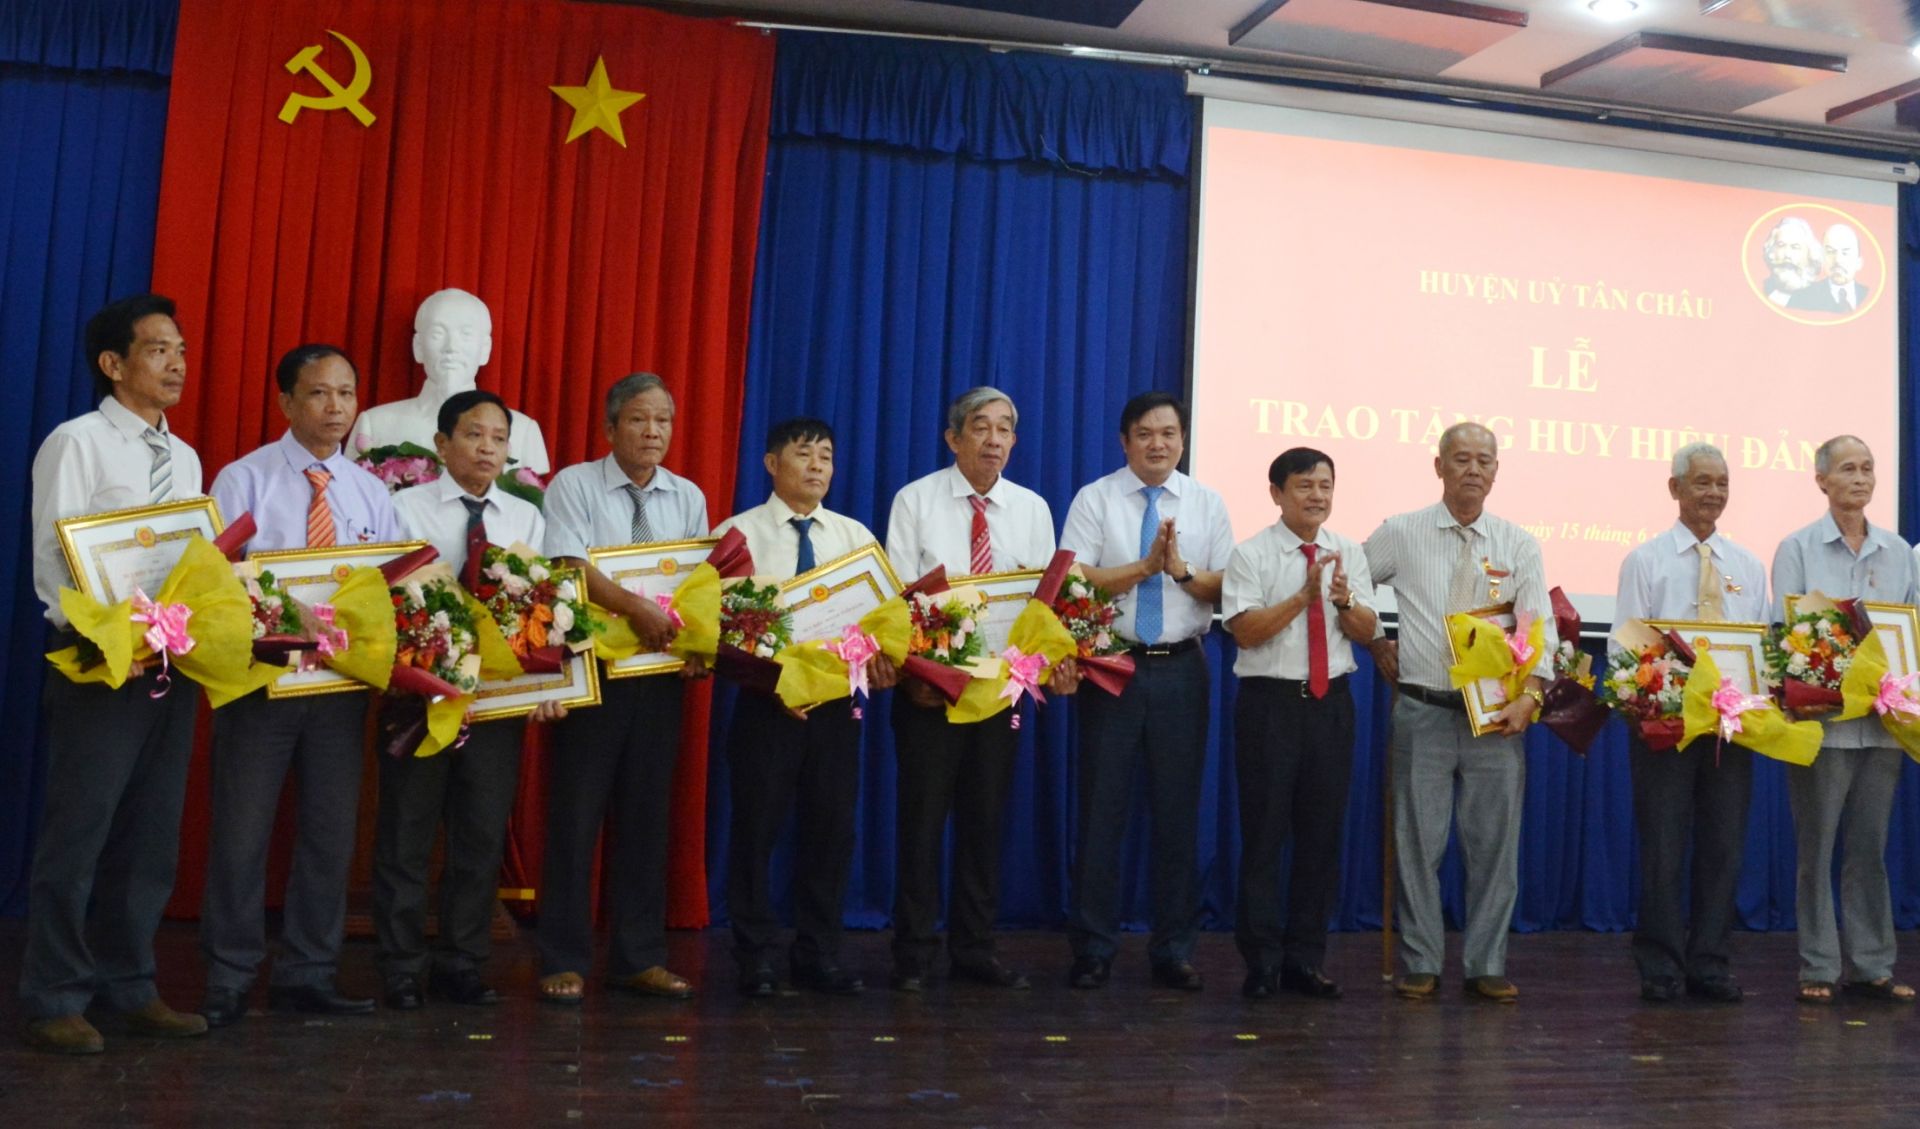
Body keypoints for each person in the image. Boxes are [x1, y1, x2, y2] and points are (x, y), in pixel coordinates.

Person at [20, 294, 210, 1053]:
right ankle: (55, 995)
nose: (176, 363)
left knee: (150, 833)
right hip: (101, 661)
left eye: (182, 348)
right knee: (81, 830)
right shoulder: (78, 441)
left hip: (174, 661)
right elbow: (54, 557)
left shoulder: (186, 455)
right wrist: (112, 631)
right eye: (159, 348)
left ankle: (131, 985)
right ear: (113, 363)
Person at [198, 344, 402, 1028]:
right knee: (241, 833)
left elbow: (391, 587)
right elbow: (215, 581)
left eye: (347, 392)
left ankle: (308, 972)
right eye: (319, 393)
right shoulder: (243, 478)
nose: (336, 406)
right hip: (261, 684)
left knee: (328, 834)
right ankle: (228, 976)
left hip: (339, 689)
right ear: (286, 401)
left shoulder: (372, 491)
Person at [377, 389, 561, 1010]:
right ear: (441, 444)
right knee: (406, 833)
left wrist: (544, 686)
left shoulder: (526, 518)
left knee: (479, 835)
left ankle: (462, 962)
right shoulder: (401, 508)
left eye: (498, 439)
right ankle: (400, 967)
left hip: (497, 704)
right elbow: (386, 601)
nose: (487, 448)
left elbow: (543, 614)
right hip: (420, 697)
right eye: (474, 435)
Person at [1364, 421, 1554, 1003]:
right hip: (1423, 706)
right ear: (1438, 465)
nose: (1473, 469)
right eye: (1462, 459)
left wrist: (1533, 694)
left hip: (1495, 715)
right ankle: (1421, 961)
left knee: (1494, 843)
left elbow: (1535, 625)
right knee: (1419, 841)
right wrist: (1375, 636)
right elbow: (1345, 587)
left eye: (1484, 461)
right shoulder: (1401, 531)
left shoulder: (1519, 543)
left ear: (1497, 471)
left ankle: (1486, 963)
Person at [535, 374, 709, 1004]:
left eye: (663, 420)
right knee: (576, 817)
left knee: (646, 818)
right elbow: (569, 564)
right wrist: (636, 607)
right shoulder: (576, 485)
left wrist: (695, 645)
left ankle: (639, 957)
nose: (653, 432)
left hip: (659, 676)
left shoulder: (687, 495)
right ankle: (563, 957)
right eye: (639, 419)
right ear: (610, 428)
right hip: (591, 672)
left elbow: (697, 584)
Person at [713, 418, 896, 997]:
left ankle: (819, 953)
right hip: (766, 708)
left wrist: (881, 659)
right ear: (771, 463)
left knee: (831, 832)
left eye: (826, 456)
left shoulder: (854, 539)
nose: (817, 466)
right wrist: (773, 684)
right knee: (756, 832)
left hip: (836, 709)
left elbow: (880, 620)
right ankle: (755, 956)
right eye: (804, 454)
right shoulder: (738, 534)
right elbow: (718, 630)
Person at [885, 387, 1058, 992]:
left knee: (986, 824)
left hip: (999, 691)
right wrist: (918, 675)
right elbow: (900, 598)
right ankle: (913, 953)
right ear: (953, 438)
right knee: (921, 823)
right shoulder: (916, 501)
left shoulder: (1032, 508)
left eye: (1004, 429)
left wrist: (1036, 666)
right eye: (980, 428)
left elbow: (1042, 605)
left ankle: (975, 949)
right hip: (930, 692)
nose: (993, 440)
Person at [1059, 391, 1231, 991]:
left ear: (1182, 440)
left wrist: (1180, 569)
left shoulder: (1206, 503)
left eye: (1169, 433)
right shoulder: (1095, 499)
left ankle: (1174, 950)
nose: (1158, 443)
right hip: (1111, 667)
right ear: (1124, 441)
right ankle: (1093, 949)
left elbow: (1225, 588)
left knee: (1178, 815)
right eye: (1145, 434)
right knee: (1101, 812)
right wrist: (1145, 567)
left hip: (1184, 668)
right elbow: (1073, 579)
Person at [1613, 443, 1767, 1004]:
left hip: (1730, 730)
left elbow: (1758, 646)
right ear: (1674, 488)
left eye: (1722, 483)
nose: (1714, 493)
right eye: (1702, 482)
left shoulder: (1747, 565)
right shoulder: (1646, 561)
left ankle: (1710, 962)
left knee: (1724, 846)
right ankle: (1659, 964)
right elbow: (1626, 645)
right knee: (1662, 845)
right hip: (1665, 728)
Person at [1223, 447, 1376, 1001]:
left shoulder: (1348, 551)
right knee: (1264, 836)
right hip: (1270, 706)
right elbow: (1245, 631)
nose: (1318, 496)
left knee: (1321, 838)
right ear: (1276, 494)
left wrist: (1341, 603)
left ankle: (1305, 960)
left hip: (1331, 705)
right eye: (1305, 486)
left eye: (1326, 486)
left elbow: (1365, 631)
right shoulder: (1251, 555)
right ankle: (1261, 961)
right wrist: (1303, 596)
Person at [1773, 435, 1916, 1005]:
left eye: (1868, 469)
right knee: (1817, 846)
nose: (1861, 479)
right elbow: (1785, 638)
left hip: (1883, 727)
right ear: (1822, 481)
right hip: (1824, 725)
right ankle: (1818, 966)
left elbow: (1913, 637)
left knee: (1868, 847)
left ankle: (1873, 965)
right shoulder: (1798, 548)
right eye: (1848, 470)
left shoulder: (1900, 551)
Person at [347, 288, 550, 476]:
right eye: (438, 334)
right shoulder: (375, 424)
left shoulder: (523, 431)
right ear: (418, 346)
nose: (451, 347)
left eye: (466, 335)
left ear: (485, 349)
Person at [1794, 224, 1870, 313]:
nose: (1837, 260)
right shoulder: (1803, 298)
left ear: (1859, 262)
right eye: (1830, 252)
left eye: (1845, 253)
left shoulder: (1868, 296)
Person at [1764, 217, 1820, 308]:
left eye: (1795, 247)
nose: (1787, 255)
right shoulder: (1764, 289)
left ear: (1809, 254)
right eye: (1781, 245)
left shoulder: (1820, 298)